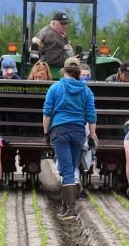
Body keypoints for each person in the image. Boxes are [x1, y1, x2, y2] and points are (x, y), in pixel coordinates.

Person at [42, 57, 97, 220]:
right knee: (71, 167)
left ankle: (71, 209)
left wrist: (46, 133)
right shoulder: (86, 90)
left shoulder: (55, 88)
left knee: (66, 170)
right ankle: (65, 205)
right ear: (78, 72)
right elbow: (92, 115)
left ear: (63, 70)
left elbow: (47, 113)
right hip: (79, 132)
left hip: (60, 131)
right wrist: (92, 136)